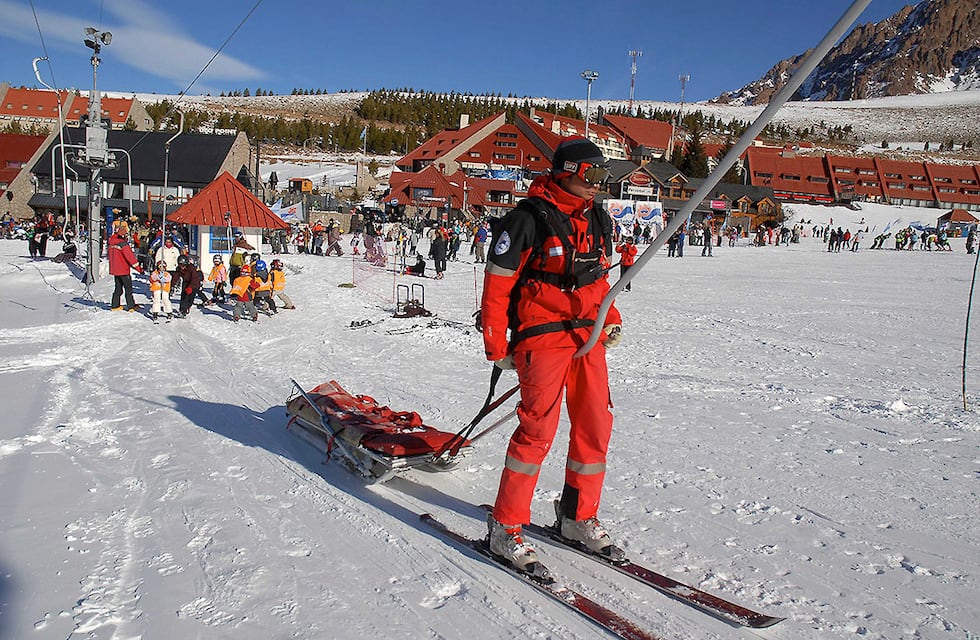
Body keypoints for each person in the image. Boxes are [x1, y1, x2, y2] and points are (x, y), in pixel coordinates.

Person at [480, 137, 625, 576]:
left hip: (586, 335)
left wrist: (610, 315)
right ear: (567, 172)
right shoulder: (526, 220)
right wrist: (496, 343)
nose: (597, 184)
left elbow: (597, 276)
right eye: (590, 175)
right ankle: (505, 527)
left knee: (596, 423)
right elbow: (497, 283)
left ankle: (576, 517)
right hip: (542, 335)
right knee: (537, 430)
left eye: (601, 176)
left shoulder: (597, 217)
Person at [108, 221, 143, 311]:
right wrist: (139, 269)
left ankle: (115, 305)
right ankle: (131, 306)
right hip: (123, 269)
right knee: (128, 289)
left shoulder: (111, 242)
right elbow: (130, 258)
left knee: (118, 288)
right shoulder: (122, 244)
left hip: (115, 270)